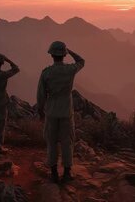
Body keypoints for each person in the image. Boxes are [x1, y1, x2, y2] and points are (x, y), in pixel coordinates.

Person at [36, 41, 85, 183]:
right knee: (67, 142)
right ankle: (67, 172)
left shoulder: (46, 73)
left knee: (51, 142)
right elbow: (82, 61)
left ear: (51, 55)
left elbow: (41, 95)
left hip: (51, 111)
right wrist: (69, 51)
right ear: (64, 55)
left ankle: (53, 172)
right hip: (66, 111)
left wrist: (41, 111)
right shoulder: (70, 70)